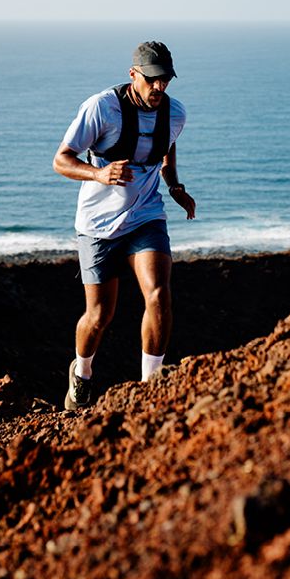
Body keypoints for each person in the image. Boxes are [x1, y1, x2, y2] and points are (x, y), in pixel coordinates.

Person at [53, 40, 197, 410]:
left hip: (146, 215)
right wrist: (99, 174)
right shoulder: (102, 108)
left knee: (159, 293)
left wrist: (175, 185)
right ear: (133, 74)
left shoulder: (175, 113)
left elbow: (167, 146)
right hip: (97, 225)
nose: (158, 87)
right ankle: (81, 374)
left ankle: (150, 388)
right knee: (99, 315)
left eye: (164, 80)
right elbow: (61, 160)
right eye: (151, 79)